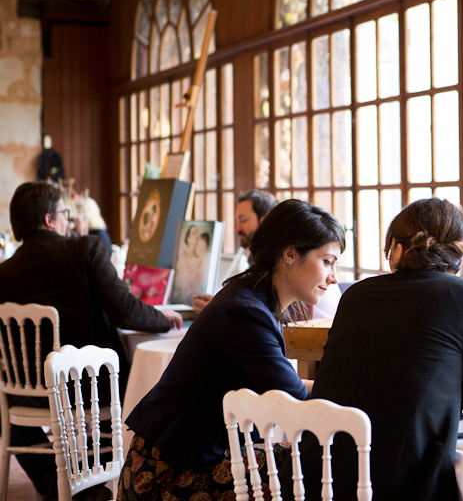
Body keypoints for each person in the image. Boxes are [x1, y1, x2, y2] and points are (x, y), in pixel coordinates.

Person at [121, 199, 345, 501]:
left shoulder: (255, 299)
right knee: (319, 470)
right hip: (167, 474)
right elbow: (296, 403)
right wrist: (355, 400)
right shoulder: (245, 313)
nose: (334, 276)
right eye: (328, 261)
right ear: (290, 254)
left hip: (198, 455)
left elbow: (288, 390)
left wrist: (344, 394)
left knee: (313, 464)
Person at [302, 198, 463, 500]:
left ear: (398, 250)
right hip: (401, 487)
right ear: (460, 252)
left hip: (318, 480)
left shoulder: (358, 295)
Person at [0, 182, 183, 500]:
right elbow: (125, 312)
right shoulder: (83, 250)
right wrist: (161, 317)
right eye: (64, 214)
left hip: (29, 393)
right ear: (49, 220)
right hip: (89, 388)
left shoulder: (3, 273)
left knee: (9, 410)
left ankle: (55, 483)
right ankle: (92, 482)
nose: (68, 221)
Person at [191, 189, 277, 313]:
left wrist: (218, 308)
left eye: (243, 220)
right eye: (236, 221)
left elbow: (259, 310)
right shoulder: (253, 258)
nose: (237, 228)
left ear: (265, 220)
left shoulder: (274, 261)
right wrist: (218, 304)